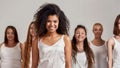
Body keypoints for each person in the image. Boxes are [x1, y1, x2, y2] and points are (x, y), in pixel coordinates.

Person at [32, 3, 72, 68]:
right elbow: (34, 65)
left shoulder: (65, 39)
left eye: (55, 21)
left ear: (59, 22)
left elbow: (68, 64)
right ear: (44, 22)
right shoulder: (37, 40)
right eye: (48, 21)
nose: (52, 24)